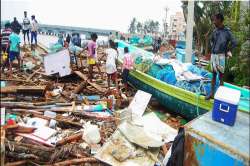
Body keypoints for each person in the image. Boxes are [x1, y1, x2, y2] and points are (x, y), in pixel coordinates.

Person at [206, 13, 237, 100]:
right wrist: (212, 48)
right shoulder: (215, 31)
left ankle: (221, 97)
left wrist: (228, 51)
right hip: (214, 55)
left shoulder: (227, 32)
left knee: (221, 76)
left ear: (219, 20)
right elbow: (211, 40)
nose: (214, 22)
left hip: (221, 56)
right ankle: (212, 94)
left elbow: (234, 42)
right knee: (213, 75)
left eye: (215, 20)